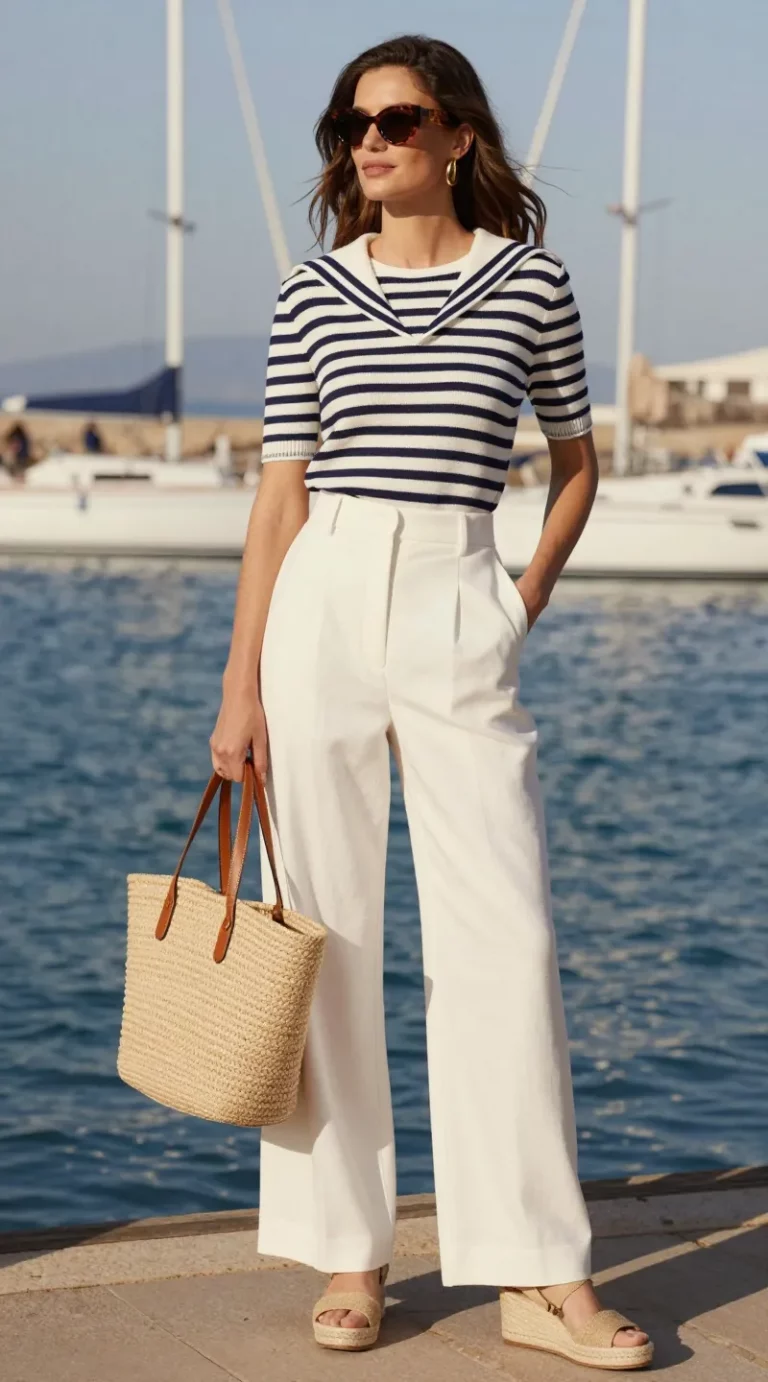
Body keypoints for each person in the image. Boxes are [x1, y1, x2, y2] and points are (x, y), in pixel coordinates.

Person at [210, 33, 653, 1370]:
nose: (370, 143)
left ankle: (540, 1271)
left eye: (397, 119)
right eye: (352, 127)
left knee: (504, 939)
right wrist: (241, 685)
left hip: (462, 590)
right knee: (328, 932)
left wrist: (514, 604)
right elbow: (279, 493)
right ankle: (352, 1248)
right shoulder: (313, 295)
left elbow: (578, 465)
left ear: (459, 133)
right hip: (325, 599)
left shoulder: (533, 283)